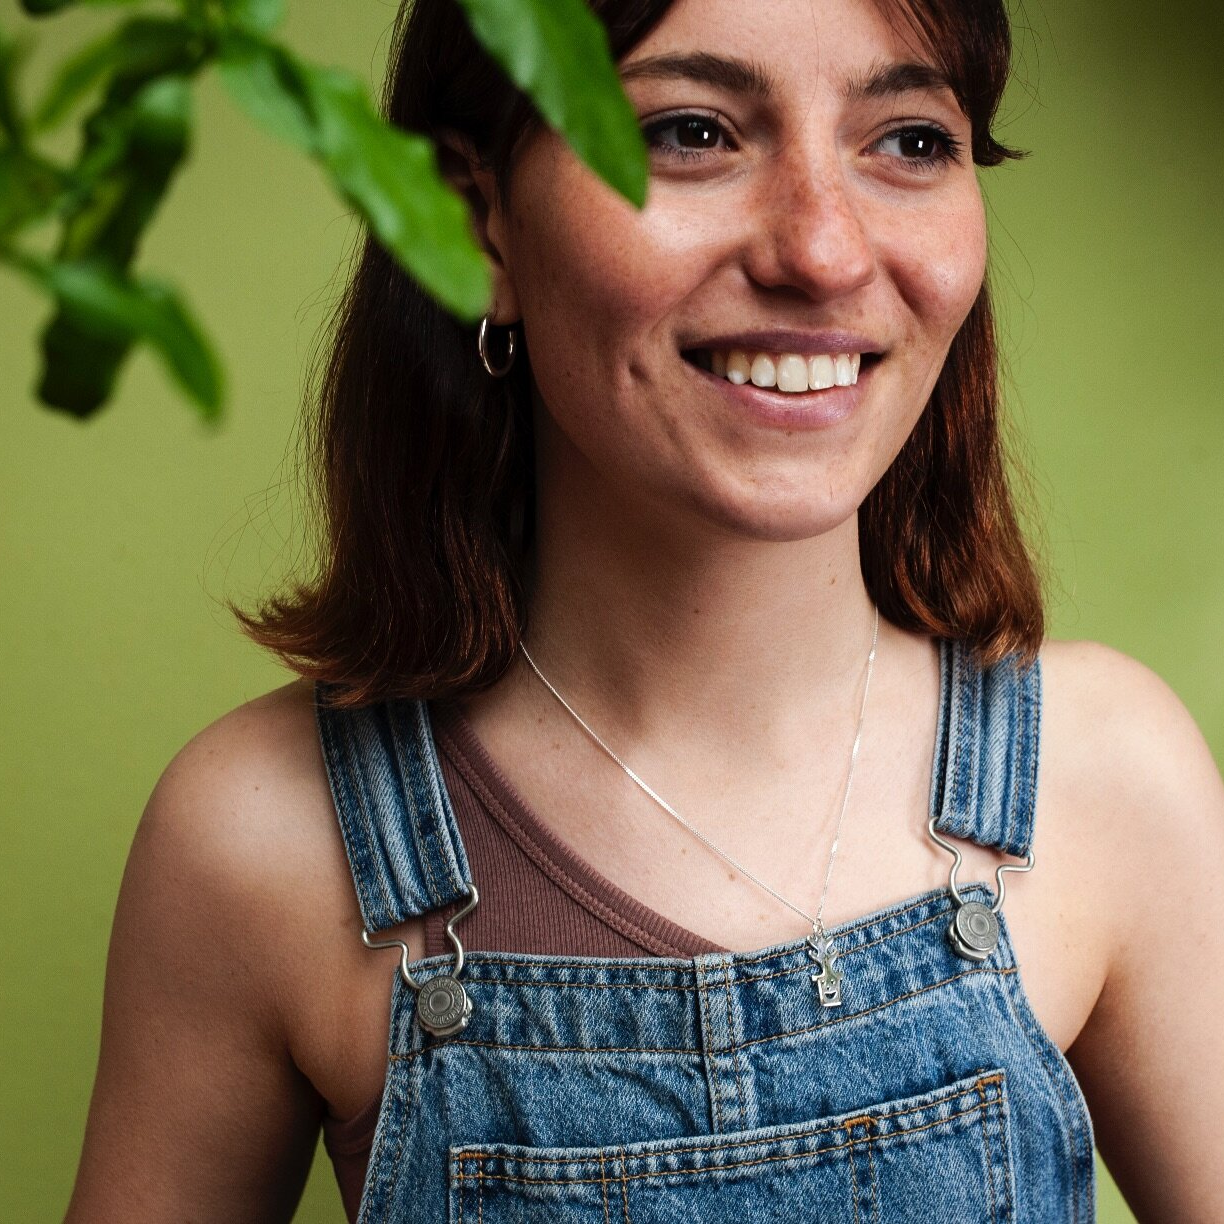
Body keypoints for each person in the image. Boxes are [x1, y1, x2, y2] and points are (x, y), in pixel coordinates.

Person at [65, 0, 1224, 1220]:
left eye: (911, 141)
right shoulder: (264, 844)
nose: (823, 252)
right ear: (477, 221)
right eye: (690, 132)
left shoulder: (1104, 785)